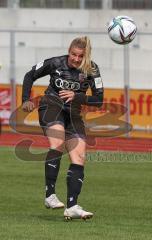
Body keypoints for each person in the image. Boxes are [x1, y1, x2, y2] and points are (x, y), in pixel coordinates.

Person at [22, 36, 104, 220]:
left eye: (80, 56)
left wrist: (77, 96)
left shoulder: (92, 69)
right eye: (73, 54)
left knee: (79, 156)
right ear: (69, 51)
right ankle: (50, 195)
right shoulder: (55, 63)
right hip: (51, 106)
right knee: (57, 142)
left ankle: (72, 206)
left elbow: (99, 100)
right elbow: (30, 75)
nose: (75, 59)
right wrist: (25, 99)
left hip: (73, 114)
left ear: (86, 56)